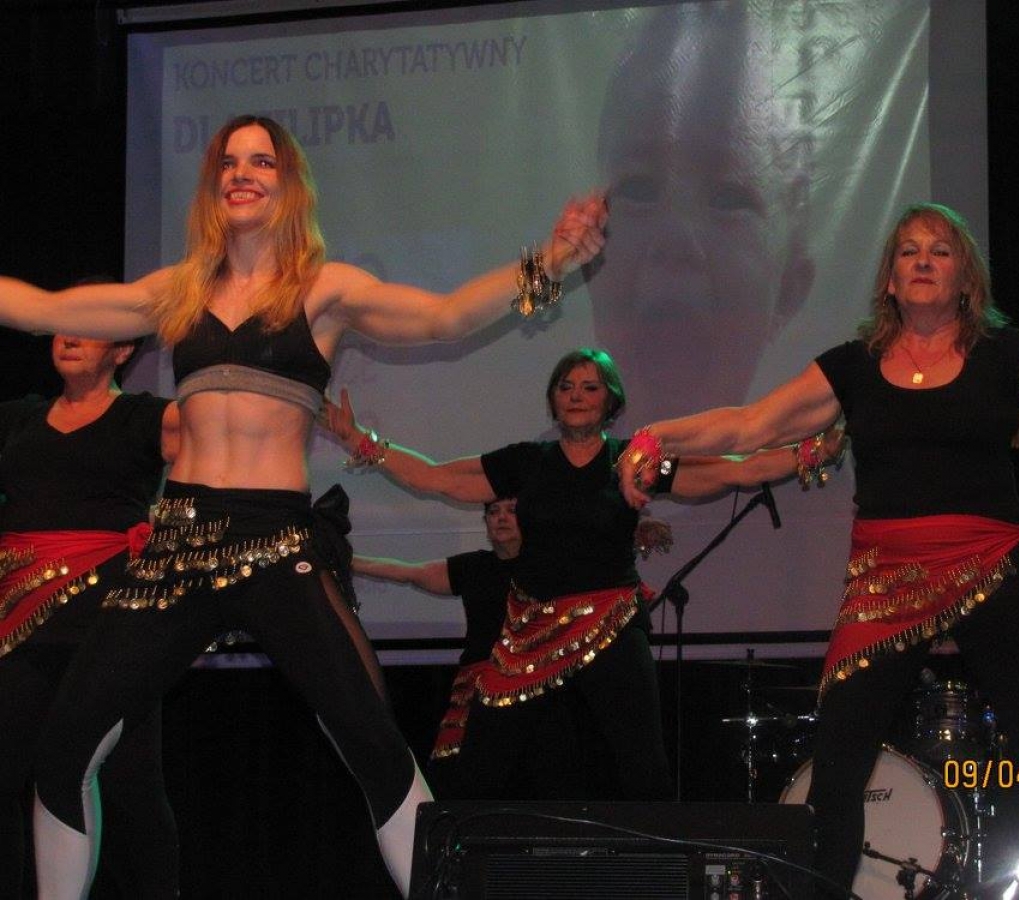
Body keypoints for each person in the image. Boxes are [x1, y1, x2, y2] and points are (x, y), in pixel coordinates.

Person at [0, 113, 606, 898]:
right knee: (65, 747)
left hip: (273, 543)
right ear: (214, 185)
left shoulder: (323, 288)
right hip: (180, 546)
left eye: (261, 162)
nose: (242, 173)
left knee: (373, 746)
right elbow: (43, 308)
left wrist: (552, 261)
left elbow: (446, 316)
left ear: (287, 184)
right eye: (230, 162)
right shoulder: (179, 292)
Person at [617, 203, 1019, 899]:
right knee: (837, 764)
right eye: (909, 250)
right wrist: (658, 436)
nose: (924, 260)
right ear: (890, 280)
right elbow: (751, 425)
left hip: (990, 564)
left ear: (965, 279)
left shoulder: (1006, 354)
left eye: (941, 251)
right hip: (885, 578)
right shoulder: (852, 367)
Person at [324, 347, 825, 801]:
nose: (577, 396)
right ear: (553, 401)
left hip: (611, 625)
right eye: (566, 387)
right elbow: (439, 477)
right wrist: (362, 441)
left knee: (643, 765)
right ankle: (460, 861)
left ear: (611, 401)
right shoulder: (527, 462)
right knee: (480, 768)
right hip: (531, 633)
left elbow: (730, 470)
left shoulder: (631, 461)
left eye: (590, 387)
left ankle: (655, 863)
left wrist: (804, 453)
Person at [0, 332, 180, 899]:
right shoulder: (16, 419)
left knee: (131, 785)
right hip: (20, 627)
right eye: (62, 325)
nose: (70, 336)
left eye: (88, 327)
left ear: (123, 351)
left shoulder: (148, 417)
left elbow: (229, 443)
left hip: (113, 628)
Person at [584, 3, 816, 423]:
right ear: (588, 263)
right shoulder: (542, 464)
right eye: (639, 190)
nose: (675, 239)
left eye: (728, 198)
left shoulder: (813, 463)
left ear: (787, 290)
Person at [353, 496, 521, 795]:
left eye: (511, 511)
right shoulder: (474, 567)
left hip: (531, 683)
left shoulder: (548, 566)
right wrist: (348, 560)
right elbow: (409, 572)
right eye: (493, 512)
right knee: (462, 771)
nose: (501, 518)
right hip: (478, 686)